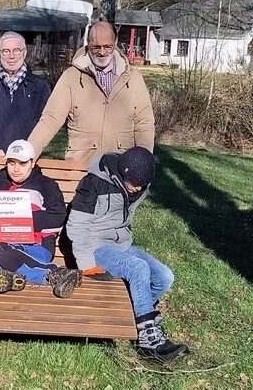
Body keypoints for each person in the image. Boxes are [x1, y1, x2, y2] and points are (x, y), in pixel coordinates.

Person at [66, 146, 188, 362]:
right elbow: (76, 225)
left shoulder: (141, 185)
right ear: (121, 173)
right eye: (133, 183)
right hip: (95, 246)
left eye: (142, 184)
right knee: (137, 268)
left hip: (121, 245)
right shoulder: (94, 183)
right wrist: (86, 264)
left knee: (165, 277)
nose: (137, 188)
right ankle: (147, 339)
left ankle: (136, 317)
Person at [0, 140, 82, 298]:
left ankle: (53, 274)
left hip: (35, 245)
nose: (16, 169)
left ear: (32, 163)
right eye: (11, 163)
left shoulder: (46, 186)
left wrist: (22, 220)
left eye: (22, 163)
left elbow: (58, 218)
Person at [28, 21, 155, 162]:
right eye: (96, 47)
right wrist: (28, 153)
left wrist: (143, 164)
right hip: (81, 166)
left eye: (108, 46)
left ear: (116, 42)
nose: (102, 52)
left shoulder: (133, 78)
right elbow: (51, 118)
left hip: (121, 168)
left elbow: (145, 124)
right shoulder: (71, 76)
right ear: (88, 43)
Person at [0, 31, 50, 156]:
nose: (11, 56)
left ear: (24, 52)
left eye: (16, 50)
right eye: (6, 51)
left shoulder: (40, 86)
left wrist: (29, 151)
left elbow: (46, 123)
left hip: (28, 159)